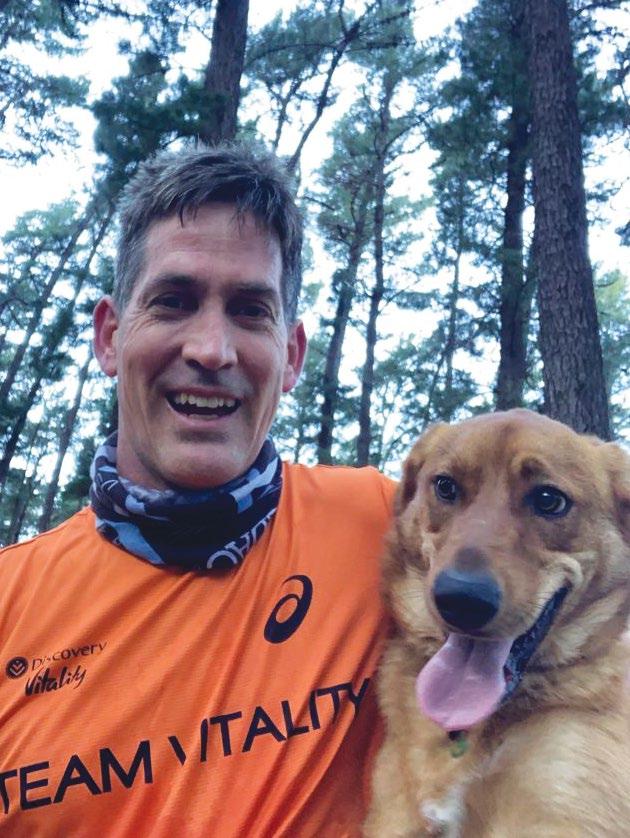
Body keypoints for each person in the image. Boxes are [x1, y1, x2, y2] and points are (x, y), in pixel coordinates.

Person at [0, 144, 396, 836]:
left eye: (250, 310)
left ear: (292, 355)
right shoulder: (10, 602)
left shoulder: (386, 530)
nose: (212, 349)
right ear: (110, 337)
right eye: (174, 302)